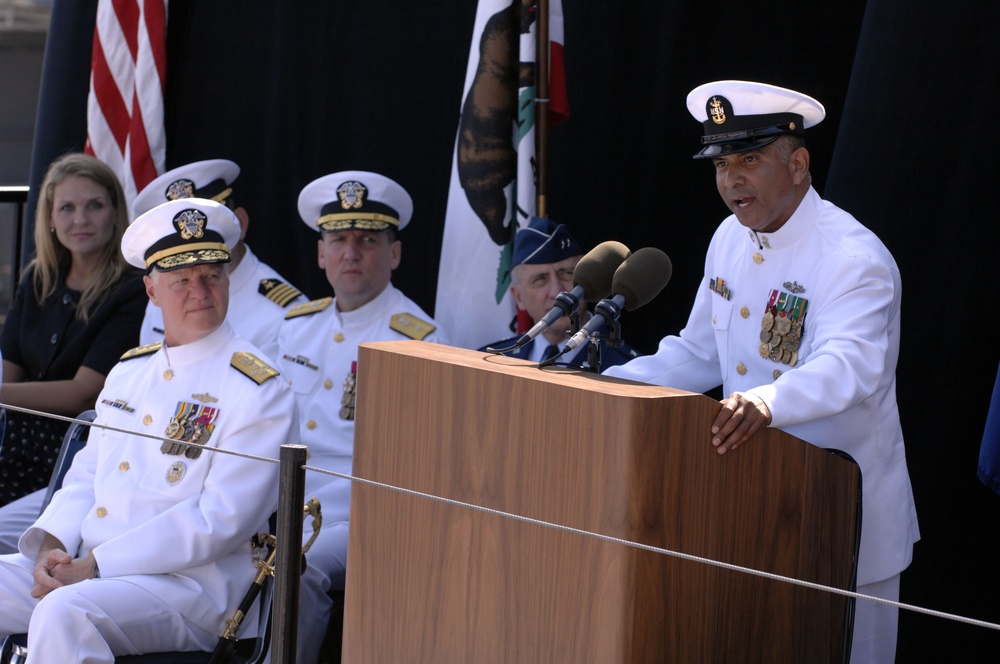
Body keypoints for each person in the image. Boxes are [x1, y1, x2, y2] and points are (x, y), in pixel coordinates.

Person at [602, 80, 919, 663]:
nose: (731, 180)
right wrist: (603, 390)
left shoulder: (853, 258)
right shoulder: (729, 238)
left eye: (749, 159)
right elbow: (698, 354)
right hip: (751, 511)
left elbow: (850, 365)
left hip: (840, 528)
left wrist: (768, 401)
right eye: (722, 164)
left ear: (798, 164)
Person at [0, 197, 296, 661]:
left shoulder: (259, 387)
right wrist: (50, 550)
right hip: (93, 567)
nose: (200, 290)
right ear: (152, 291)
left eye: (212, 275)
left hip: (192, 587)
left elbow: (218, 520)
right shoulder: (129, 372)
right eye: (181, 280)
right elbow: (85, 479)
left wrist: (94, 567)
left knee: (64, 612)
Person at [276, 170, 449, 662]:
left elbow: (420, 466)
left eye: (368, 240)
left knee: (297, 565)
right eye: (339, 239)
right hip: (280, 496)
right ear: (320, 253)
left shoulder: (419, 341)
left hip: (362, 513)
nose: (351, 252)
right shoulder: (295, 327)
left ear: (393, 254)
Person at [0, 153, 147, 506]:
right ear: (50, 218)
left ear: (115, 212)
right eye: (66, 208)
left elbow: (83, 394)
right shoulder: (39, 278)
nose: (80, 219)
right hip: (12, 442)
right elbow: (9, 372)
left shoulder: (132, 289)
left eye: (94, 205)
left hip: (76, 454)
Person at [131, 158, 305, 360]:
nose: (190, 241)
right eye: (177, 236)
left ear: (240, 223)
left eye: (206, 226)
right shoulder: (166, 288)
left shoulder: (288, 315)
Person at [480, 215, 640, 370]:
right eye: (540, 279)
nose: (557, 292)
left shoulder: (627, 369)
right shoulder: (493, 363)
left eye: (567, 274)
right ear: (518, 297)